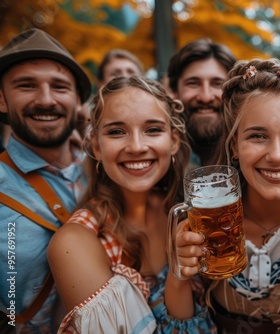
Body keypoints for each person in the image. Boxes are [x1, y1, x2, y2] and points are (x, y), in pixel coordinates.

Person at [174, 58, 280, 333]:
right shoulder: (203, 221)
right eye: (258, 136)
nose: (277, 155)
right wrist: (180, 270)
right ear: (234, 145)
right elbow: (181, 324)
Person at [47, 76, 216, 333]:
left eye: (152, 130)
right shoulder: (75, 242)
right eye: (116, 131)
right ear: (97, 146)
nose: (137, 146)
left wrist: (179, 277)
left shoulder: (184, 210)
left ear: (173, 141)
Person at [0, 28, 91, 332]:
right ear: (1, 99)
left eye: (60, 86)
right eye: (26, 85)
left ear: (77, 99)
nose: (46, 100)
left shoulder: (108, 169)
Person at [167, 38, 237, 168]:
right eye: (193, 84)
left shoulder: (253, 159)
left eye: (217, 84)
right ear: (175, 92)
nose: (206, 97)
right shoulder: (161, 162)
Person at [77, 49, 146, 137]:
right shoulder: (86, 118)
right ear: (101, 84)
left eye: (131, 72)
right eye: (115, 74)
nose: (125, 77)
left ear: (143, 79)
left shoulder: (159, 110)